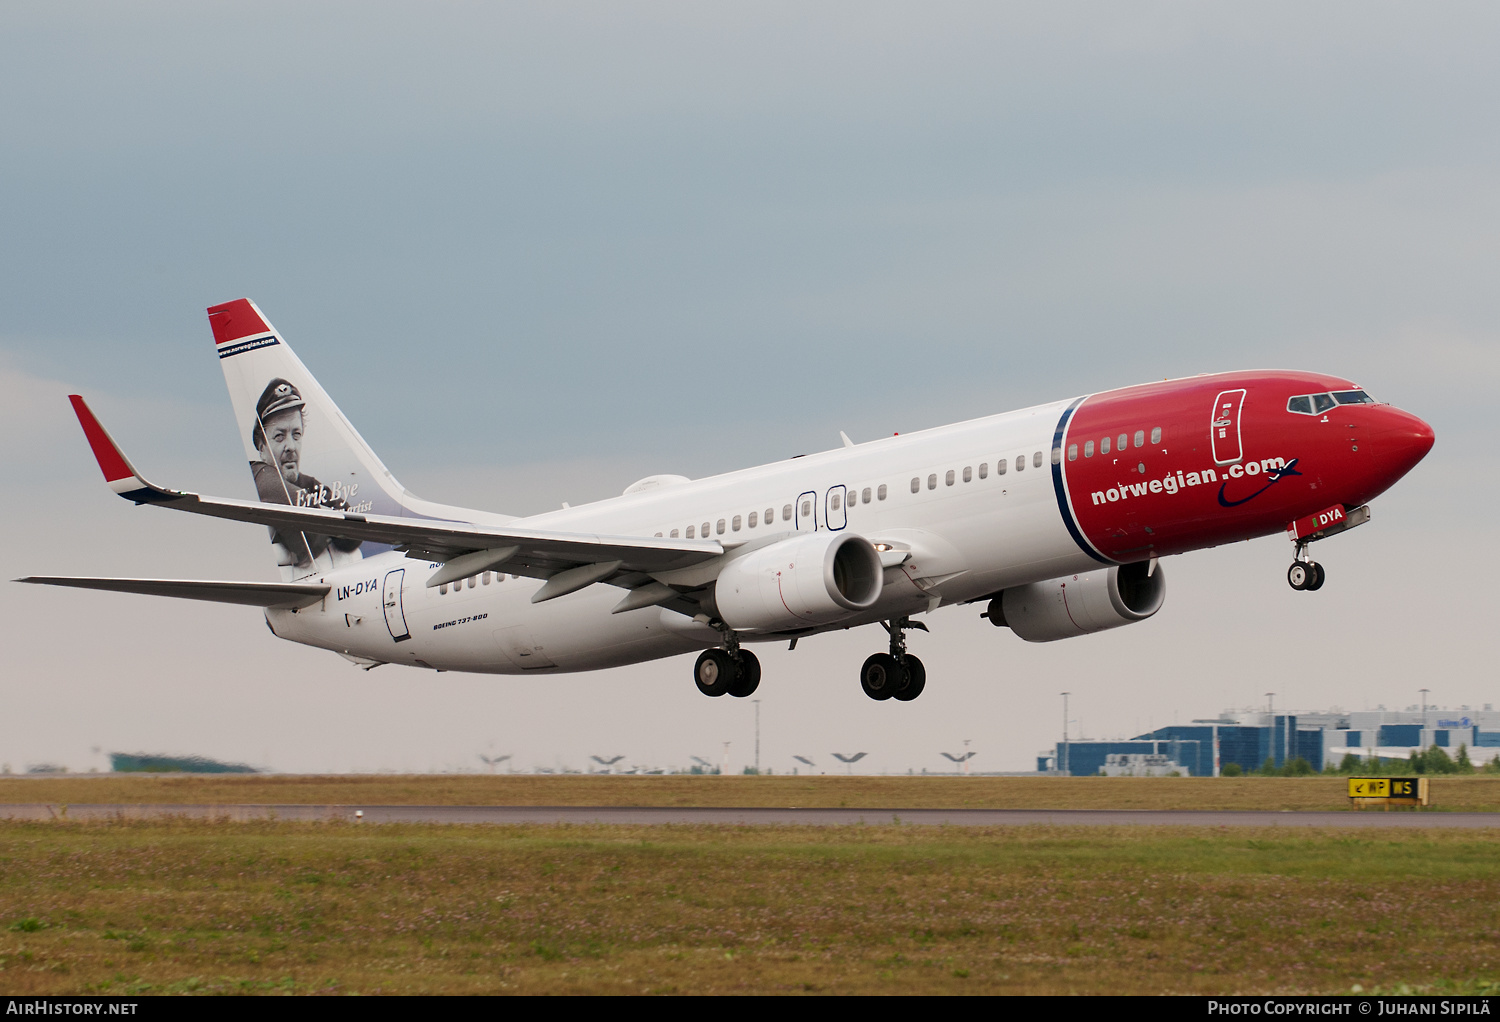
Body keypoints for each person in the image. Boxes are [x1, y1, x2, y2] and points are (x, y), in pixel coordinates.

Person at [249, 378, 363, 570]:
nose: (291, 447)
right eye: (279, 437)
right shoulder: (259, 477)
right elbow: (311, 540)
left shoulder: (306, 484)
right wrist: (326, 519)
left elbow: (353, 534)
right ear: (261, 446)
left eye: (296, 435)